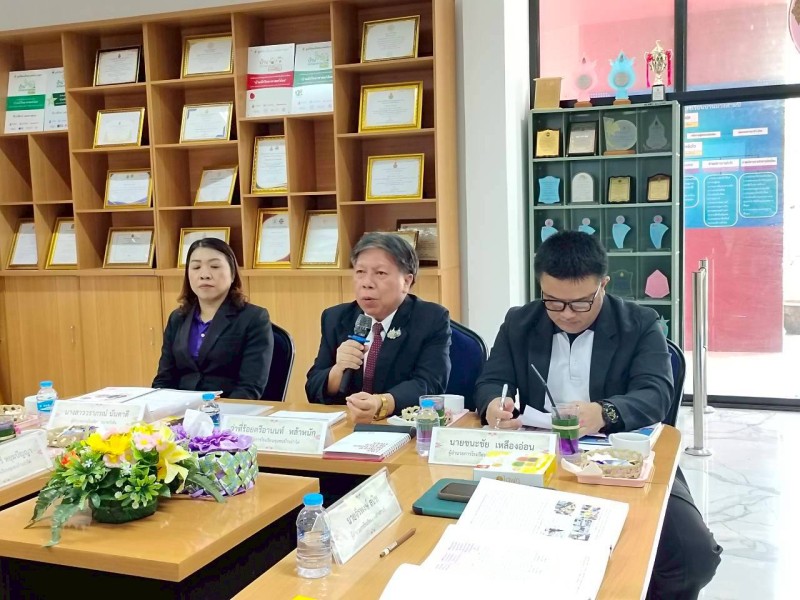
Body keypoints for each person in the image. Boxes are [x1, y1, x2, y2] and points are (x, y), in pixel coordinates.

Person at [474, 231, 722, 600]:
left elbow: (656, 394)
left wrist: (604, 412)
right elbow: (491, 381)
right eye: (553, 302)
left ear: (603, 284)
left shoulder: (639, 323)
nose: (566, 314)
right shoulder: (519, 322)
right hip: (539, 454)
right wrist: (495, 404)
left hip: (622, 455)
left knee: (693, 556)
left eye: (580, 303)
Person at [306, 232, 451, 423]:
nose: (367, 283)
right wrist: (338, 370)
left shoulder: (430, 319)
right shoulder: (336, 317)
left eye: (380, 273)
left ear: (406, 282)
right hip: (347, 424)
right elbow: (313, 387)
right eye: (360, 272)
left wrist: (380, 403)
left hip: (400, 426)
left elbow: (429, 384)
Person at [153, 238, 273, 399]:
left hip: (228, 409)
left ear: (232, 274)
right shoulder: (178, 318)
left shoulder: (254, 318)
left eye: (215, 266)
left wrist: (216, 410)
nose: (204, 275)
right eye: (196, 267)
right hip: (182, 409)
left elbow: (250, 387)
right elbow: (164, 379)